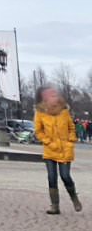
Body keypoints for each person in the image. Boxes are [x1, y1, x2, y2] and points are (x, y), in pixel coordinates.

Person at [35, 85, 81, 215]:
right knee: (51, 177)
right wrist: (48, 142)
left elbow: (72, 128)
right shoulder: (40, 113)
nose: (53, 97)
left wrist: (71, 141)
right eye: (50, 95)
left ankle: (74, 198)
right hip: (50, 150)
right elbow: (39, 131)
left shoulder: (64, 111)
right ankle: (55, 206)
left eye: (54, 94)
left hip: (65, 149)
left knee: (65, 176)